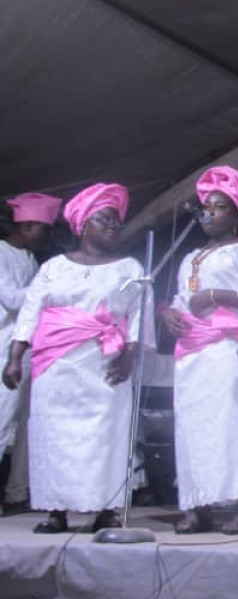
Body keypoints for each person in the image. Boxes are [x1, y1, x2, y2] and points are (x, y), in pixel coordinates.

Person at [2, 184, 144, 534]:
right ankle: (56, 510)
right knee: (54, 435)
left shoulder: (129, 267)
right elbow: (31, 311)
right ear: (83, 225)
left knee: (104, 435)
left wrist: (130, 354)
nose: (113, 226)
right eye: (105, 219)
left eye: (116, 221)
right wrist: (15, 357)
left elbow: (138, 314)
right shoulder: (53, 267)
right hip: (56, 365)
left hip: (104, 362)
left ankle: (105, 509)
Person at [162, 167, 238, 534]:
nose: (210, 213)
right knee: (193, 428)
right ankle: (197, 503)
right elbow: (180, 297)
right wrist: (171, 313)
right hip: (192, 351)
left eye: (220, 207)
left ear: (237, 213)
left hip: (229, 347)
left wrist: (218, 296)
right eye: (206, 207)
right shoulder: (191, 257)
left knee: (233, 425)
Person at [1, 193, 61, 515]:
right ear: (27, 226)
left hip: (27, 350)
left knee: (27, 424)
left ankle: (16, 491)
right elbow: (12, 299)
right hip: (3, 349)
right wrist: (45, 289)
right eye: (44, 230)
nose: (46, 238)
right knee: (1, 421)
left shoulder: (30, 259)